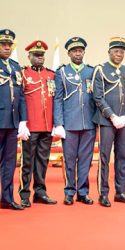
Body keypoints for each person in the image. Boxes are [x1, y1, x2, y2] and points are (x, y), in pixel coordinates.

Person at [92, 37, 125, 207]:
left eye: (122, 51)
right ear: (109, 52)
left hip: (124, 122)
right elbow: (98, 97)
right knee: (104, 158)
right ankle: (103, 193)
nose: (119, 54)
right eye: (116, 51)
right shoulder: (100, 70)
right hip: (106, 121)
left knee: (122, 157)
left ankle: (121, 192)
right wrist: (112, 116)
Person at [53, 37, 96, 205]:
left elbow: (96, 97)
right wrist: (59, 123)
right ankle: (70, 191)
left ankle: (83, 192)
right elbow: (57, 98)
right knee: (70, 160)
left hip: (88, 123)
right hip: (69, 124)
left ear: (84, 52)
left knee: (86, 160)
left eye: (80, 50)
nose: (78, 53)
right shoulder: (61, 72)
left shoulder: (91, 72)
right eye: (74, 51)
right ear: (69, 53)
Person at [19, 40, 57, 207]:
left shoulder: (51, 75)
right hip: (30, 126)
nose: (40, 58)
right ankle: (24, 194)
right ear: (29, 57)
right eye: (36, 55)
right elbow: (20, 100)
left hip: (47, 125)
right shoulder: (23, 74)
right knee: (27, 162)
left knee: (42, 161)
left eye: (42, 55)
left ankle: (40, 192)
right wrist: (22, 123)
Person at [0, 29, 30, 210]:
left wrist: (23, 121)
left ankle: (7, 198)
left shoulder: (15, 67)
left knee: (10, 162)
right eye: (3, 44)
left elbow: (21, 96)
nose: (6, 47)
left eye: (9, 45)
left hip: (12, 122)